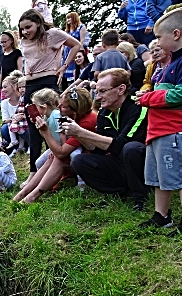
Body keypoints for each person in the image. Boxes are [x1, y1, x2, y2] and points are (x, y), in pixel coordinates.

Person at [67, 68, 149, 210]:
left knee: (131, 149)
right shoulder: (104, 112)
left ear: (121, 89)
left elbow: (121, 144)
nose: (97, 97)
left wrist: (82, 132)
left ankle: (141, 195)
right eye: (97, 92)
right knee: (79, 161)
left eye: (103, 91)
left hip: (143, 163)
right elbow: (98, 151)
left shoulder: (138, 107)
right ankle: (118, 192)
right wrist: (78, 134)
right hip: (119, 162)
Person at [19, 9, 82, 179]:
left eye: (28, 27)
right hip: (30, 83)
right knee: (33, 126)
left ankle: (58, 165)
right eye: (22, 29)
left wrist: (64, 66)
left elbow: (77, 45)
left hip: (48, 82)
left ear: (38, 23)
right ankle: (34, 171)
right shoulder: (24, 41)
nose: (25, 31)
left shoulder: (52, 34)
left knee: (55, 123)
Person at [136, 8, 182, 233]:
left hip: (173, 131)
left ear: (176, 34)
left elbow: (180, 94)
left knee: (178, 177)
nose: (156, 43)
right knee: (159, 177)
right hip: (157, 130)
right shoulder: (168, 64)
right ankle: (161, 215)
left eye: (159, 37)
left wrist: (149, 97)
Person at [14, 87, 96, 203]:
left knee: (58, 158)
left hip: (92, 160)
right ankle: (24, 193)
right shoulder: (74, 117)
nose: (58, 107)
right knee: (51, 158)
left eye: (63, 106)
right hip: (80, 155)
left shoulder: (85, 122)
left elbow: (61, 152)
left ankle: (33, 195)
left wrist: (45, 131)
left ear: (75, 110)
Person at [0, 71, 29, 152]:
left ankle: (29, 144)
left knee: (24, 124)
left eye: (5, 87)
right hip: (13, 126)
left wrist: (22, 117)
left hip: (24, 125)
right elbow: (5, 120)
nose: (3, 90)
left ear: (14, 87)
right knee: (4, 128)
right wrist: (13, 118)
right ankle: (15, 147)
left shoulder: (23, 99)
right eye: (2, 87)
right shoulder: (4, 103)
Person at [62, 12, 89, 91]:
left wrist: (78, 51)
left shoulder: (81, 27)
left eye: (69, 18)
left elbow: (82, 40)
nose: (68, 20)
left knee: (75, 69)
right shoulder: (66, 30)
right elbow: (63, 44)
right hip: (67, 52)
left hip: (76, 50)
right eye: (67, 18)